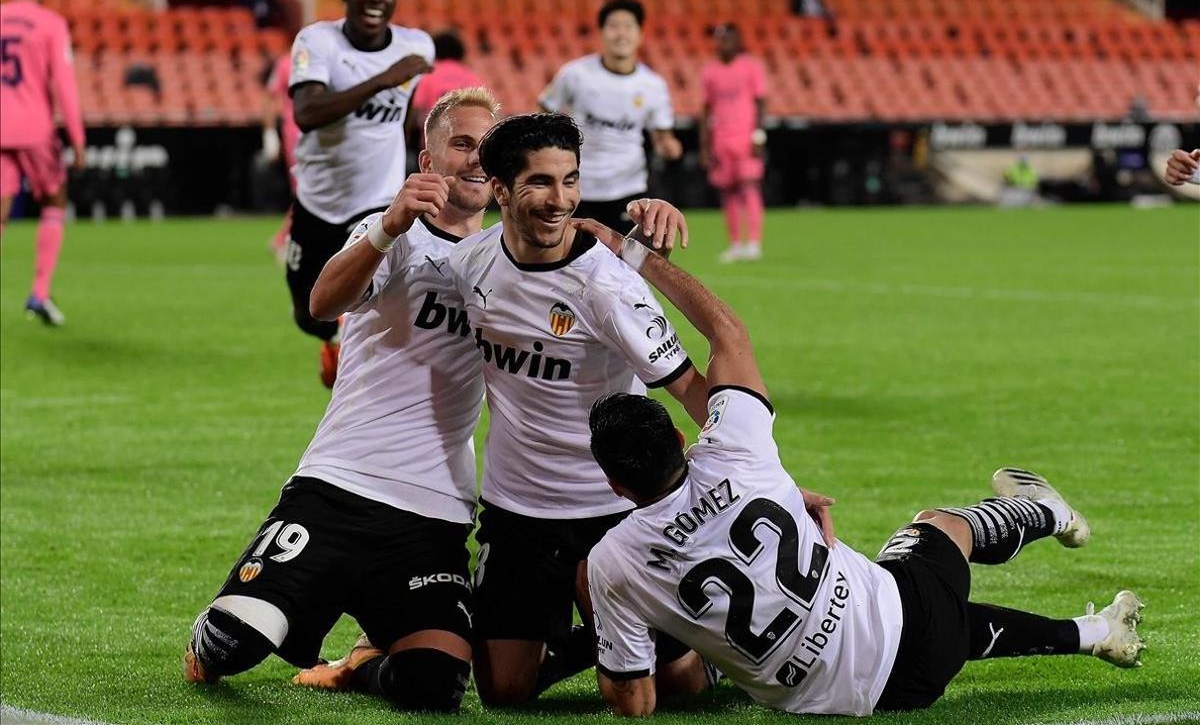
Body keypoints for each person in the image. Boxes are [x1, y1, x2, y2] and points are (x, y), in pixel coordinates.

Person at [575, 214, 1146, 717]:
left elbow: (635, 702)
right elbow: (727, 332)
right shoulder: (733, 445)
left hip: (862, 699)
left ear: (613, 483)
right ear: (680, 435)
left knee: (912, 611)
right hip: (911, 630)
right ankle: (1043, 511)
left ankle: (1094, 633)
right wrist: (636, 254)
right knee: (937, 528)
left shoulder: (612, 561)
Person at [182, 88, 502, 712]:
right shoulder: (391, 233)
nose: (474, 160)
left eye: (485, 148)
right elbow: (322, 303)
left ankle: (361, 663)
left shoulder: (506, 261)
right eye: (460, 144)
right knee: (229, 650)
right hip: (338, 487)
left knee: (434, 686)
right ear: (427, 156)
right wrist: (389, 225)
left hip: (433, 509)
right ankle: (222, 625)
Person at [444, 112, 700, 706]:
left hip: (614, 507)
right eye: (539, 182)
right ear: (501, 190)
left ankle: (688, 642)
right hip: (518, 510)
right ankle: (597, 636)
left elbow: (693, 389)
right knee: (505, 694)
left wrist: (763, 480)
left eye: (570, 180)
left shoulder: (608, 287)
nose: (559, 200)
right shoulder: (470, 265)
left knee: (684, 690)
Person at [286, 0, 435, 387]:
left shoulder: (417, 44)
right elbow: (307, 111)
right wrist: (382, 80)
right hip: (318, 198)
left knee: (372, 296)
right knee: (308, 311)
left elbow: (406, 111)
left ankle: (365, 380)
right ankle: (330, 340)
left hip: (378, 199)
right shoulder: (318, 42)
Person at [539, 0, 682, 233]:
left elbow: (662, 136)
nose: (621, 34)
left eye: (628, 26)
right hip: (579, 185)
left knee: (626, 263)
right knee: (573, 263)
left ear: (640, 34)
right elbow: (545, 107)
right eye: (614, 26)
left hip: (629, 188)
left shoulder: (653, 85)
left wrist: (668, 145)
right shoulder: (575, 74)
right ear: (602, 32)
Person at [0, 0, 85, 326]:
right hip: (34, 128)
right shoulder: (51, 23)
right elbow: (64, 86)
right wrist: (78, 139)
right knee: (55, 198)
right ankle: (39, 293)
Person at [700, 23, 768, 263]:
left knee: (749, 187)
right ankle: (735, 243)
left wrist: (759, 134)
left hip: (745, 137)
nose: (723, 44)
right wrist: (705, 146)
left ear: (737, 40)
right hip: (722, 139)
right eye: (719, 39)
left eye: (727, 39)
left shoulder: (751, 66)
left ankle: (754, 242)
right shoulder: (710, 71)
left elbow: (760, 103)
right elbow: (706, 110)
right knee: (728, 192)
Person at [410, 29, 485, 140]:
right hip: (467, 135)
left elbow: (417, 108)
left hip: (435, 135)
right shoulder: (471, 76)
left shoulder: (429, 74)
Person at [261, 51, 300, 263]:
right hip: (296, 135)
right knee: (305, 192)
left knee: (307, 192)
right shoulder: (287, 63)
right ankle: (282, 240)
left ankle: (283, 239)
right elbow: (269, 94)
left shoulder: (328, 59)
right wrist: (269, 133)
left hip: (320, 137)